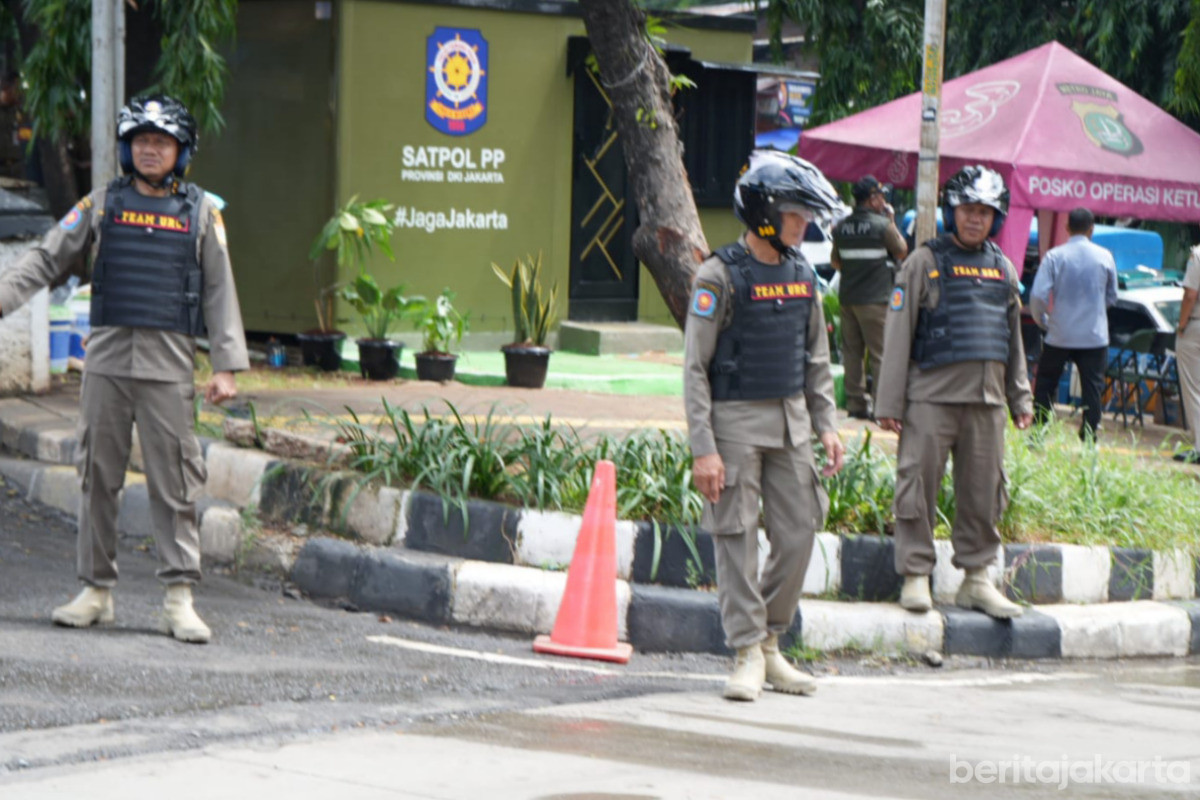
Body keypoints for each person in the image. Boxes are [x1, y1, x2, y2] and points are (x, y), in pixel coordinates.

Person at [0, 95, 249, 643]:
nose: (150, 150)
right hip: (107, 362)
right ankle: (95, 591)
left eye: (161, 142)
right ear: (126, 147)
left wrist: (227, 366)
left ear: (180, 151)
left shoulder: (202, 211)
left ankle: (179, 597)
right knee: (96, 477)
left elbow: (218, 288)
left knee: (175, 483)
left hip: (168, 367)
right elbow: (46, 257)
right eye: (141, 140)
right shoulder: (102, 204)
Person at [684, 150, 846, 702]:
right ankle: (748, 652)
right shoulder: (719, 274)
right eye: (795, 215)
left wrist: (826, 424)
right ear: (764, 214)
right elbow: (694, 368)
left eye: (806, 216)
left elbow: (816, 360)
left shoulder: (804, 275)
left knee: (800, 529)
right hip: (733, 423)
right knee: (737, 538)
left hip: (792, 422)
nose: (804, 226)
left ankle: (772, 643)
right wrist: (703, 448)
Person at [875, 165, 1032, 619]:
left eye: (985, 212)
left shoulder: (1003, 267)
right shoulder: (923, 262)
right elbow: (898, 333)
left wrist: (1019, 396)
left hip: (986, 402)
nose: (975, 219)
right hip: (930, 399)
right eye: (968, 210)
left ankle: (977, 580)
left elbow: (1011, 339)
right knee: (916, 488)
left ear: (996, 217)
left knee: (983, 492)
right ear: (952, 211)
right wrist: (890, 403)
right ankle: (916, 575)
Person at [1028, 207, 1118, 441]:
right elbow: (1112, 296)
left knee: (1046, 383)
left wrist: (1043, 321)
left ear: (1067, 228)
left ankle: (1038, 432)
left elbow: (1038, 295)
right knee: (1092, 388)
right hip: (1093, 335)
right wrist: (1095, 311)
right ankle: (1089, 437)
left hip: (1059, 333)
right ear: (1092, 229)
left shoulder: (1054, 256)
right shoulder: (1105, 256)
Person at [831, 175, 908, 419]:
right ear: (872, 199)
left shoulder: (841, 227)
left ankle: (855, 404)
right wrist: (891, 219)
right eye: (880, 196)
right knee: (880, 354)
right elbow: (901, 250)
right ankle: (881, 406)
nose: (883, 200)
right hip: (875, 300)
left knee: (852, 353)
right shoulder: (881, 225)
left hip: (848, 298)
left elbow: (835, 261)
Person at [1174, 243, 1200, 463]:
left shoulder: (1198, 255)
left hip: (1196, 327)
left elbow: (1190, 295)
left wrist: (1181, 325)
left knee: (1193, 388)